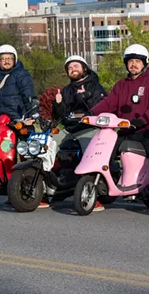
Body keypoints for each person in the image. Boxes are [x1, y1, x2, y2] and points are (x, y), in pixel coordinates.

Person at [91, 44, 149, 211]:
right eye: (130, 61)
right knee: (104, 151)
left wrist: (141, 121)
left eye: (137, 61)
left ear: (144, 63)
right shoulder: (121, 85)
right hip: (126, 130)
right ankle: (106, 185)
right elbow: (109, 103)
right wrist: (90, 113)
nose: (133, 65)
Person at [41, 55, 107, 209]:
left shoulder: (95, 86)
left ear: (84, 68)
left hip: (89, 128)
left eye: (76, 66)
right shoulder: (66, 90)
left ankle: (93, 193)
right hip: (69, 129)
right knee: (46, 145)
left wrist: (85, 97)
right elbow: (62, 115)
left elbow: (101, 108)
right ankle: (47, 186)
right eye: (70, 68)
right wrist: (58, 104)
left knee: (90, 155)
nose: (73, 70)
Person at [0, 45, 37, 123]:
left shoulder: (22, 74)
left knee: (25, 134)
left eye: (10, 58)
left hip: (19, 119)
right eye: (3, 59)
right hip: (0, 119)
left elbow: (29, 96)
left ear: (14, 59)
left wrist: (32, 114)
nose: (7, 61)